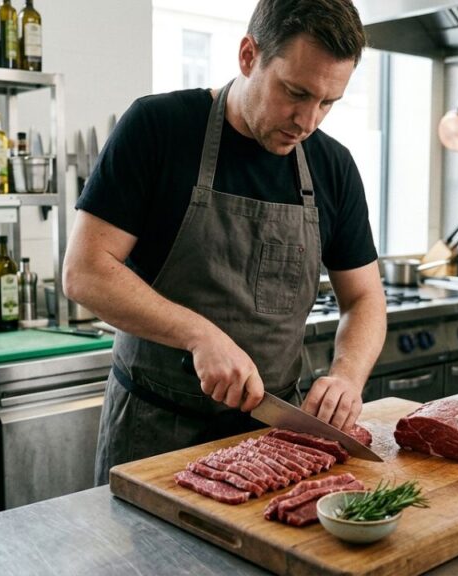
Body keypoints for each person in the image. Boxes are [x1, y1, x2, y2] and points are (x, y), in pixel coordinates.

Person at [64, 0, 387, 485]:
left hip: (274, 438)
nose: (307, 120)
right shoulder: (158, 127)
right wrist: (200, 334)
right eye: (294, 92)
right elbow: (85, 271)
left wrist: (347, 375)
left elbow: (364, 298)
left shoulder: (333, 166)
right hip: (153, 433)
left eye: (327, 102)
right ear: (248, 55)